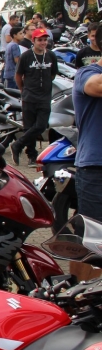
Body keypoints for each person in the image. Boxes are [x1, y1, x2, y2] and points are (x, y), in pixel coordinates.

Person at [72, 52, 102, 280]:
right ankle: (79, 300)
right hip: (94, 169)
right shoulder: (88, 74)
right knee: (90, 240)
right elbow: (95, 86)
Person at [11, 29, 58, 166]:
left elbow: (53, 74)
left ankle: (17, 144)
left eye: (45, 40)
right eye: (40, 40)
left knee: (41, 126)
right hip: (29, 96)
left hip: (44, 97)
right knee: (29, 127)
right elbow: (18, 76)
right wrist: (22, 89)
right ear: (33, 41)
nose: (43, 42)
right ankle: (32, 156)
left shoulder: (51, 56)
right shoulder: (26, 56)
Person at [2, 25, 27, 90]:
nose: (23, 35)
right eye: (20, 33)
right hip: (13, 75)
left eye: (23, 33)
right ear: (14, 35)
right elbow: (17, 61)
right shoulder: (15, 46)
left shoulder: (9, 44)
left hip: (8, 73)